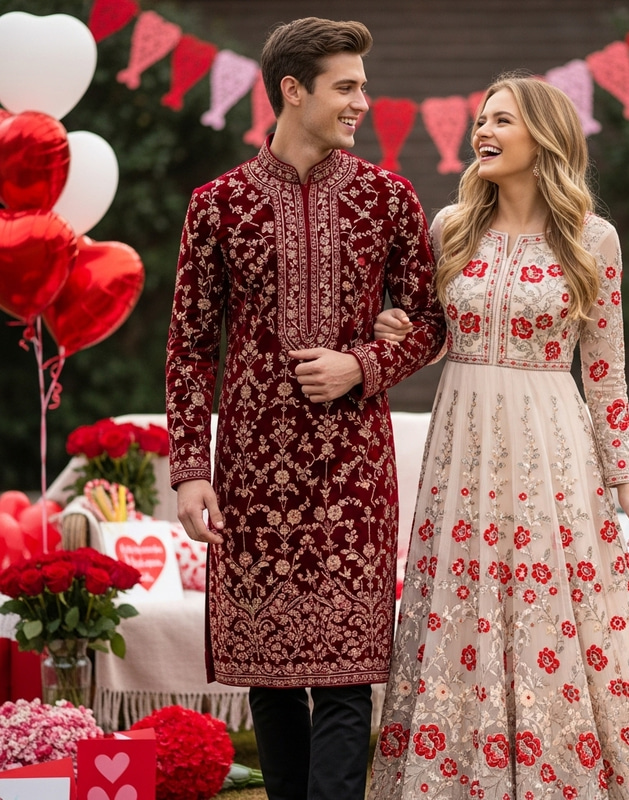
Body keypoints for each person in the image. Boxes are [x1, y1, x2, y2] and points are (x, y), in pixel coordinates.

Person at [368, 74, 629, 799]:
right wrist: (401, 331)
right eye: (481, 119)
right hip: (462, 446)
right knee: (463, 604)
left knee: (555, 606)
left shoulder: (593, 239)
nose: (482, 132)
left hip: (551, 446)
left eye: (501, 121)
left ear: (543, 137)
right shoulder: (451, 227)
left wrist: (627, 487)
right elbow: (440, 335)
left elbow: (606, 373)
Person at [164, 17, 445, 800]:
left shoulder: (389, 199)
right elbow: (190, 345)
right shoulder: (217, 205)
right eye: (346, 87)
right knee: (273, 678)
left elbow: (431, 322)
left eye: (363, 86)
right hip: (252, 473)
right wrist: (190, 469)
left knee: (348, 677)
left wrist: (362, 365)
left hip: (353, 474)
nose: (362, 102)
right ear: (293, 90)